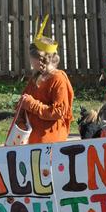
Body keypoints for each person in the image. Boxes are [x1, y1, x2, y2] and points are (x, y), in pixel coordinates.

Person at [19, 16, 74, 144]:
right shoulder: (37, 76)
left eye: (31, 58)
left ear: (39, 59)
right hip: (33, 137)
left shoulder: (58, 79)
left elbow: (59, 111)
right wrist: (20, 118)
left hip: (49, 139)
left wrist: (32, 104)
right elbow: (25, 100)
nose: (30, 62)